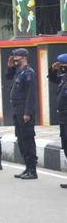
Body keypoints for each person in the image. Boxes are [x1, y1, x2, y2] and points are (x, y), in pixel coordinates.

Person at [6, 48, 37, 180]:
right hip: (17, 110)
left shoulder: (29, 73)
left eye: (16, 57)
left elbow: (31, 94)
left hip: (24, 111)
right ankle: (27, 167)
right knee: (21, 139)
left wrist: (27, 112)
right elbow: (8, 77)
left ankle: (32, 170)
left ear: (23, 57)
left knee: (28, 139)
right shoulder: (19, 72)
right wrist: (10, 67)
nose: (14, 59)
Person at [48, 53, 67, 187]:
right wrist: (53, 69)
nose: (62, 68)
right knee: (65, 147)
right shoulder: (63, 78)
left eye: (64, 66)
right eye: (61, 66)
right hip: (62, 118)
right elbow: (53, 78)